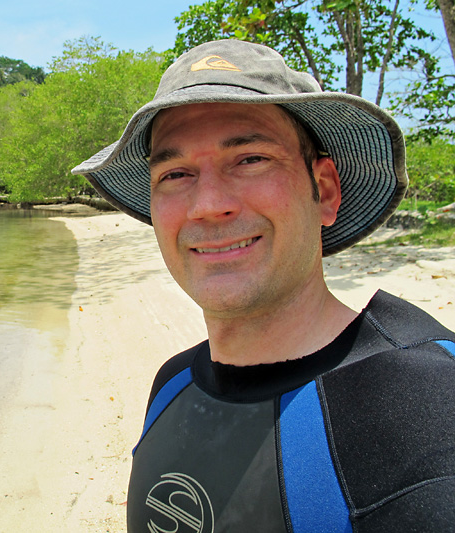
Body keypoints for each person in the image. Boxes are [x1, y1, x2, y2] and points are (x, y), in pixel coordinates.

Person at [72, 39, 455, 532]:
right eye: (176, 172)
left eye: (250, 159)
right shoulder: (172, 386)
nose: (208, 204)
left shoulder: (429, 407)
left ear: (326, 192)